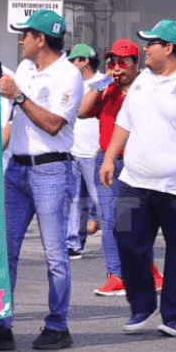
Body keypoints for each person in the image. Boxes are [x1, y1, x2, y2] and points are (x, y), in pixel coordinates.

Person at [100, 19, 176, 337]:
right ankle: (142, 305)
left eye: (151, 43)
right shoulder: (144, 79)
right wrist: (109, 157)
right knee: (126, 238)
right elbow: (124, 122)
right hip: (135, 181)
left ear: (168, 48)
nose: (145, 48)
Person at [0, 9, 82, 351]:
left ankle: (58, 325)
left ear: (41, 39)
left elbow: (53, 125)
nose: (20, 41)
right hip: (16, 169)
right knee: (5, 252)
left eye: (26, 35)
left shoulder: (68, 75)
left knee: (55, 255)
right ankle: (0, 326)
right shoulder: (27, 69)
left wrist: (17, 95)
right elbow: (17, 109)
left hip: (50, 169)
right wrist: (0, 90)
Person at [79, 39, 163, 296]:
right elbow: (82, 111)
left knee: (135, 222)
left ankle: (148, 270)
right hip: (107, 162)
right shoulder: (106, 88)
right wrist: (101, 82)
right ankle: (116, 275)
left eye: (123, 63)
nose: (117, 68)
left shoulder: (147, 87)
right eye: (112, 62)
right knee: (110, 219)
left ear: (136, 64)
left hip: (136, 162)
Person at [65, 43, 103, 260]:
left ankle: (116, 241)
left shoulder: (103, 82)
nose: (70, 64)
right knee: (74, 200)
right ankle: (74, 243)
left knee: (100, 199)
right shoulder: (72, 84)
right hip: (73, 151)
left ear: (84, 61)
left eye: (73, 60)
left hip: (94, 152)